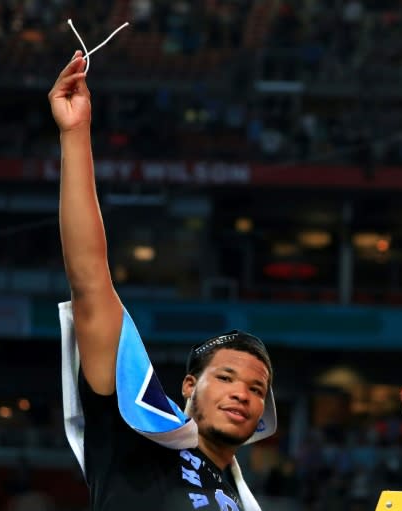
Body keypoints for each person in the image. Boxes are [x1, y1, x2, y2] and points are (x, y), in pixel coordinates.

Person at [49, 50, 276, 511]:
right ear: (189, 386)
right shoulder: (138, 432)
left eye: (256, 389)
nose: (243, 394)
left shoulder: (242, 498)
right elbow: (90, 283)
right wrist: (75, 135)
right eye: (228, 378)